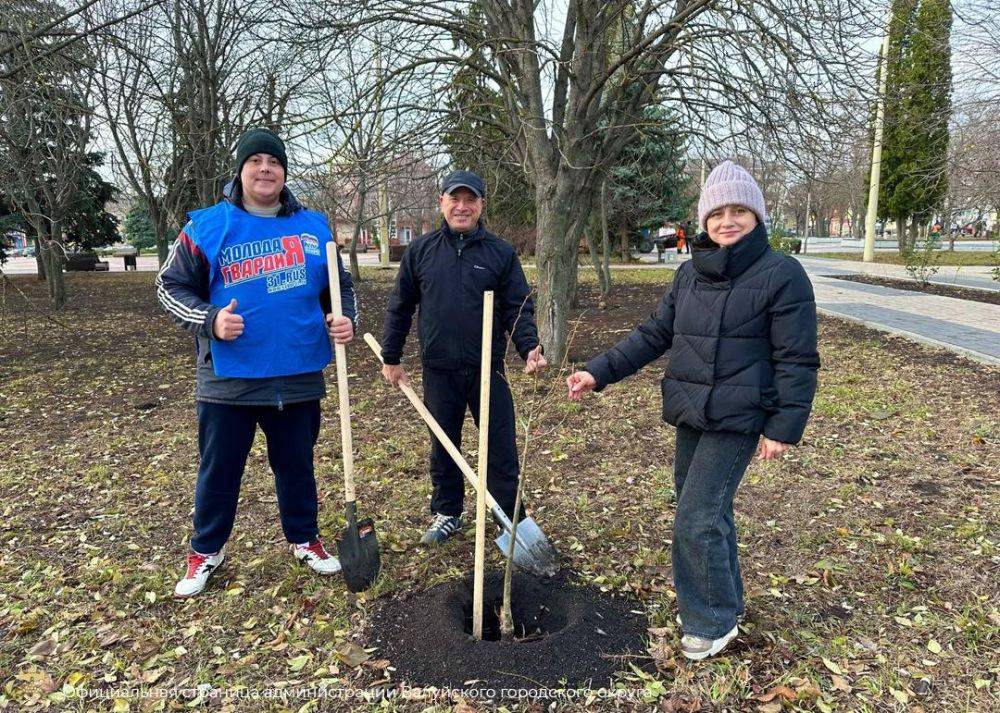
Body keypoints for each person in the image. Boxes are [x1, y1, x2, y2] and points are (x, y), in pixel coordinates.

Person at [566, 161, 820, 660]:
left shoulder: (781, 274)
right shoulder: (688, 276)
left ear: (757, 216)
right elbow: (653, 334)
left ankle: (711, 621)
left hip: (742, 416)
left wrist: (783, 426)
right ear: (702, 221)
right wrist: (598, 371)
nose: (728, 221)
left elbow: (797, 357)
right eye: (717, 212)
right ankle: (726, 602)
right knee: (708, 512)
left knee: (696, 518)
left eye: (739, 211)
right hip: (691, 411)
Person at [157, 128, 359, 598]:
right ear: (241, 171)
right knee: (220, 468)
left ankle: (305, 538)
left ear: (284, 172)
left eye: (274, 161)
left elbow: (340, 287)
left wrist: (344, 317)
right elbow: (169, 287)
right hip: (230, 380)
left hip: (297, 374)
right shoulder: (207, 226)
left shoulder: (314, 227)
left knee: (296, 465)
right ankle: (206, 550)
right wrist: (210, 320)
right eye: (255, 161)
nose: (265, 168)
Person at [380, 170, 547, 545]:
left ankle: (507, 516)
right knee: (444, 445)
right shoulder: (421, 252)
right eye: (454, 199)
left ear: (481, 205)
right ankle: (447, 513)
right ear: (441, 202)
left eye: (469, 200)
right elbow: (400, 306)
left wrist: (529, 348)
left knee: (500, 445)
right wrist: (391, 356)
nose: (461, 207)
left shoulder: (500, 253)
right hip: (438, 370)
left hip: (488, 369)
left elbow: (518, 307)